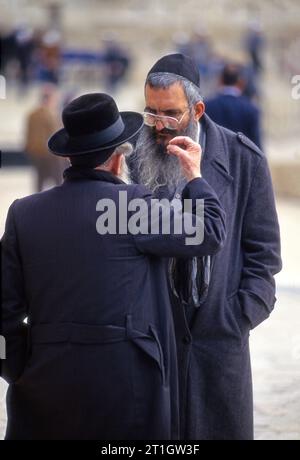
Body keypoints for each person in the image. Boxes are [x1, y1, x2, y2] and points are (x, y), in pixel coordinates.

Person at [1, 93, 226, 440]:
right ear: (117, 159)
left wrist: (20, 368)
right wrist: (195, 176)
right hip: (125, 390)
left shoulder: (23, 213)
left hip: (43, 390)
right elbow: (209, 231)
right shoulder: (129, 207)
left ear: (70, 155)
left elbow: (3, 315)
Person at [132, 53, 282, 440]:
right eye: (151, 113)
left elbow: (264, 254)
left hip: (219, 340)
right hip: (153, 341)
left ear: (197, 109)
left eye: (171, 114)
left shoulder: (244, 159)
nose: (159, 125)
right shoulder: (131, 159)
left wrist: (239, 315)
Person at [205, 63, 262, 149]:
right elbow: (257, 145)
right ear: (241, 83)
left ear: (220, 81)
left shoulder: (207, 106)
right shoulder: (251, 109)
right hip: (243, 160)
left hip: (215, 159)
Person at [24, 84, 67, 191]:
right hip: (52, 155)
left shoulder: (31, 114)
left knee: (39, 182)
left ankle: (37, 205)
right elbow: (56, 135)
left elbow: (28, 136)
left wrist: (31, 151)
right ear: (51, 99)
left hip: (36, 154)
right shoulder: (52, 115)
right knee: (58, 183)